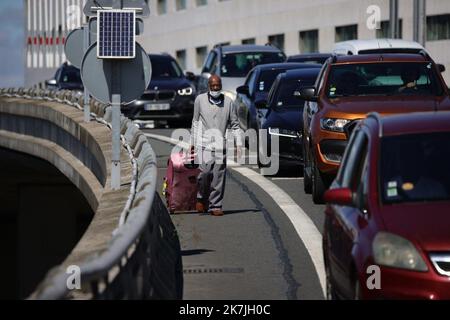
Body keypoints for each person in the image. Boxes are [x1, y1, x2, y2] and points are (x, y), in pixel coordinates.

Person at [190, 75, 243, 216]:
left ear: (221, 86)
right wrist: (192, 143)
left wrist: (239, 143)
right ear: (209, 86)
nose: (215, 88)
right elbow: (195, 122)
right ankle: (201, 197)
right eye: (213, 86)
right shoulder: (199, 100)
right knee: (204, 174)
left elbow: (235, 125)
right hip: (203, 143)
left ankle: (216, 205)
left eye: (218, 86)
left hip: (221, 145)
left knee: (218, 176)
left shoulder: (228, 102)